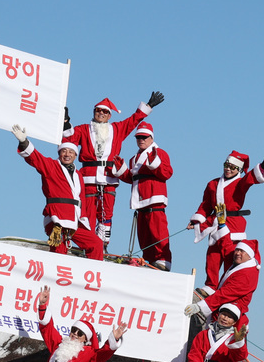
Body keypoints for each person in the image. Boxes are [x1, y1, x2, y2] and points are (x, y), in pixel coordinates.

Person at [62, 92, 164, 245]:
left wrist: (148, 106)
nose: (101, 113)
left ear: (110, 115)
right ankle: (87, 243)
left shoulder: (117, 129)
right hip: (88, 177)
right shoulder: (83, 129)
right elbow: (68, 140)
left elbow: (133, 120)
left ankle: (102, 244)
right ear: (94, 112)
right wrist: (65, 122)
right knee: (86, 212)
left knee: (106, 213)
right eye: (98, 110)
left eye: (104, 111)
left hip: (109, 177)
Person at [10, 127, 104, 259]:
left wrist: (84, 219)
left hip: (75, 220)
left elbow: (81, 199)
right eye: (64, 151)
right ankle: (56, 277)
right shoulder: (51, 166)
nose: (67, 154)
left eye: (71, 151)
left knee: (96, 244)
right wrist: (24, 141)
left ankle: (95, 274)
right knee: (59, 251)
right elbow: (35, 158)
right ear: (59, 153)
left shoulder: (78, 175)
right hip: (57, 218)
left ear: (75, 155)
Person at [189, 152, 264, 290]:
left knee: (231, 256)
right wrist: (196, 220)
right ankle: (210, 286)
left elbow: (251, 177)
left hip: (233, 225)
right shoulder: (212, 184)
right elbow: (205, 206)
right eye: (226, 165)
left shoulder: (240, 183)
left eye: (233, 167)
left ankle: (226, 286)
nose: (228, 169)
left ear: (239, 169)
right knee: (213, 256)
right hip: (215, 223)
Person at [35, 286, 127, 362]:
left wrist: (114, 339)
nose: (75, 334)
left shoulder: (87, 353)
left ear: (85, 339)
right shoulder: (60, 344)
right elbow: (47, 328)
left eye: (80, 333)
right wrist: (42, 305)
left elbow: (102, 354)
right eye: (74, 330)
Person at [115, 122, 174, 269]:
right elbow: (133, 179)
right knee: (144, 237)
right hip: (140, 203)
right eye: (138, 137)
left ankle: (163, 260)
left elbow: (167, 173)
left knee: (158, 233)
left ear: (151, 138)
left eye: (144, 137)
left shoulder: (160, 153)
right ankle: (148, 261)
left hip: (155, 201)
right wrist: (121, 170)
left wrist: (155, 163)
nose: (141, 139)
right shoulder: (134, 158)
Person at [186, 238, 260, 321]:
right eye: (237, 250)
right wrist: (222, 228)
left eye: (242, 251)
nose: (238, 253)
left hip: (230, 313)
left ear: (249, 256)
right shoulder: (237, 264)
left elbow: (226, 293)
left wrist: (200, 306)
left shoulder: (247, 275)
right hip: (219, 307)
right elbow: (227, 247)